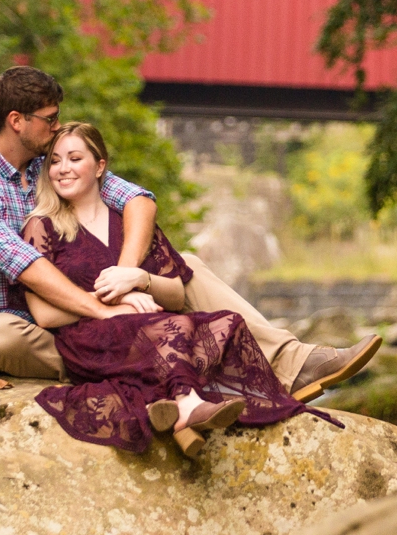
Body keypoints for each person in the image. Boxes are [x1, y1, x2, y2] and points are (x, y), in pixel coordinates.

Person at [0, 66, 380, 400]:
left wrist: (127, 276)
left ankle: (294, 363)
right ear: (17, 120)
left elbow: (138, 199)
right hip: (14, 320)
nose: (57, 127)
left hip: (82, 309)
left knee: (190, 265)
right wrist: (108, 312)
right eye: (50, 119)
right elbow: (28, 267)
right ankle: (178, 363)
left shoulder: (50, 162)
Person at [20, 122, 330, 455]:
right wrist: (114, 303)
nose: (62, 169)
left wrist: (140, 280)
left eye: (74, 158)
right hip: (90, 340)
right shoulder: (42, 227)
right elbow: (43, 314)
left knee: (225, 322)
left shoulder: (128, 221)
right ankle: (189, 403)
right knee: (177, 329)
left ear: (99, 166)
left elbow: (177, 295)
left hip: (147, 330)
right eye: (54, 161)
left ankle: (181, 411)